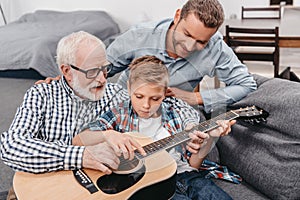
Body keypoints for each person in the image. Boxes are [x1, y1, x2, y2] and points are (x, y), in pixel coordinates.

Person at [74, 55, 235, 200]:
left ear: (165, 93)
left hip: (188, 176)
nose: (146, 105)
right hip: (152, 183)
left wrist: (211, 138)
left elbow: (193, 164)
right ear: (129, 88)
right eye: (139, 96)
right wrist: (108, 134)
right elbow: (78, 140)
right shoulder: (119, 113)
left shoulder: (177, 110)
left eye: (155, 98)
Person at [106, 0, 257, 113]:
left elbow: (246, 85)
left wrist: (195, 98)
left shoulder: (215, 47)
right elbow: (98, 73)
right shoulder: (139, 35)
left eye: (201, 42)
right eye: (187, 34)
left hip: (172, 117)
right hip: (124, 111)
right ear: (177, 16)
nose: (190, 47)